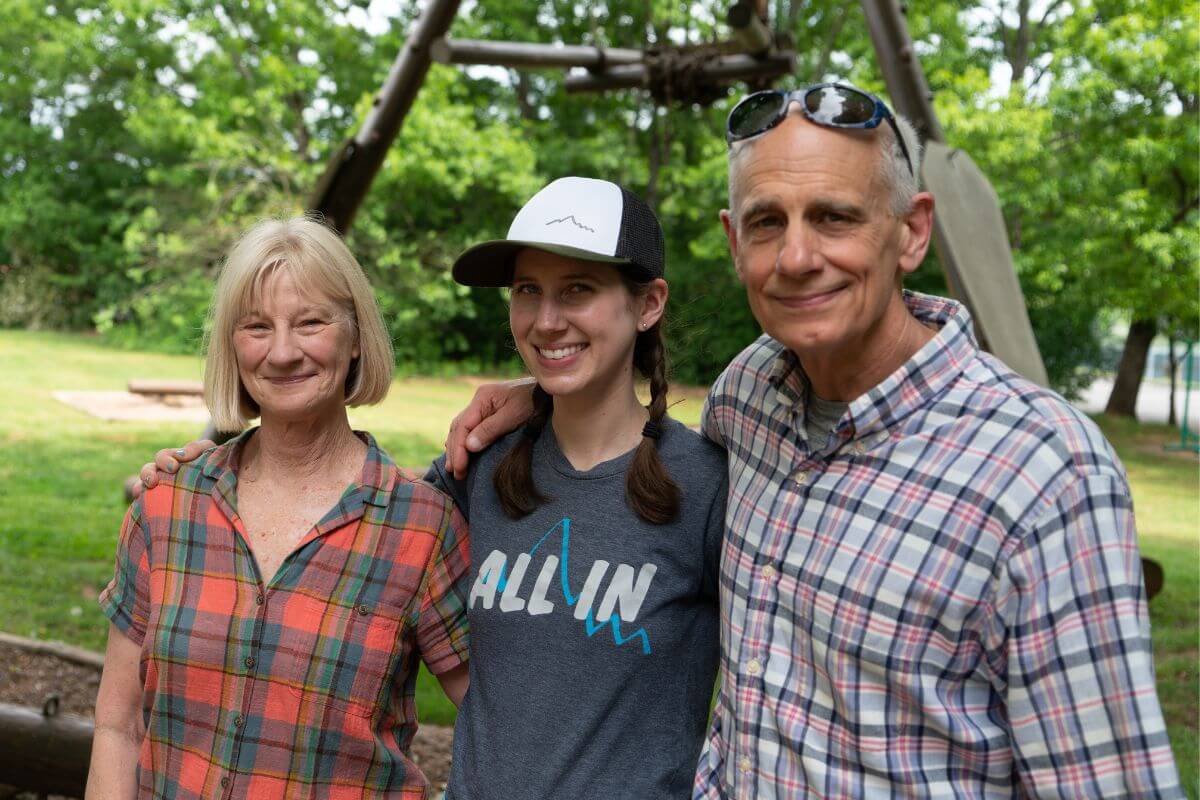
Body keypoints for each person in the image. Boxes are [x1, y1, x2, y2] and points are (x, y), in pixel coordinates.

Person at [440, 85, 1184, 798]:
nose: (796, 258)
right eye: (767, 222)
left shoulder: (1045, 471)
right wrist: (538, 396)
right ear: (736, 242)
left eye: (834, 217)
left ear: (913, 230)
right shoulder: (751, 399)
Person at [134, 178, 728, 800]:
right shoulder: (478, 469)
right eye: (528, 291)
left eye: (577, 290)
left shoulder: (705, 487)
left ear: (648, 304)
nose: (547, 320)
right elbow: (360, 524)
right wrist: (207, 478)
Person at [88, 217, 470, 800]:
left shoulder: (420, 527)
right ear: (231, 344)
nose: (283, 352)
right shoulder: (168, 506)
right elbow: (117, 725)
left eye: (311, 322)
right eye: (257, 327)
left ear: (357, 336)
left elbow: (503, 727)